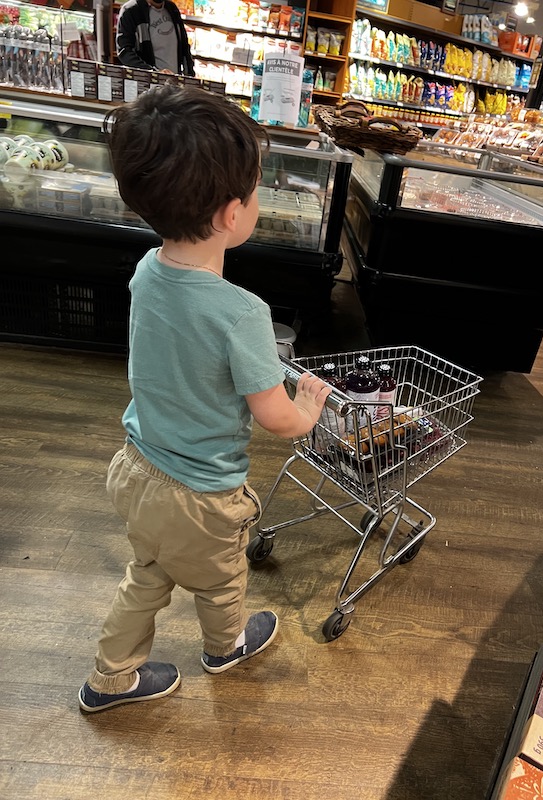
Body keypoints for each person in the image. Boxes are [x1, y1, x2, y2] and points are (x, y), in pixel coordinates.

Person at [78, 84, 332, 713]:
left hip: (137, 469)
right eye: (252, 191)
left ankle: (111, 679)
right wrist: (309, 406)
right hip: (201, 491)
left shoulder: (146, 269)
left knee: (150, 574)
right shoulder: (242, 313)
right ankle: (225, 647)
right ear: (230, 215)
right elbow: (277, 419)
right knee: (222, 580)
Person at [115, 0, 195, 76]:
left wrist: (189, 74)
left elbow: (184, 45)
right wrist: (153, 73)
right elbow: (125, 52)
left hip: (174, 82)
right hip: (148, 83)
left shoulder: (172, 8)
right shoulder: (131, 10)